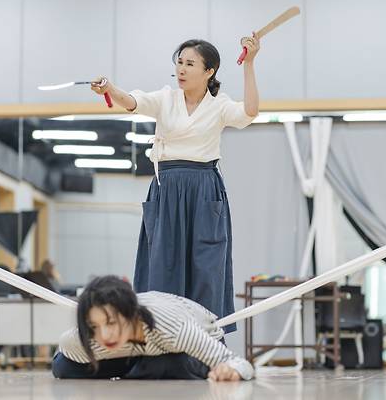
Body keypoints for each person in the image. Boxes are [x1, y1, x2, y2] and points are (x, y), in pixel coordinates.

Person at [90, 36, 260, 332]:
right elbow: (131, 101)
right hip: (166, 190)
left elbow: (250, 112)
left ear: (209, 71)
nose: (181, 69)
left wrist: (249, 63)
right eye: (179, 63)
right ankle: (161, 339)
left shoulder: (219, 105)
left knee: (206, 267)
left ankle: (207, 342)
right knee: (162, 265)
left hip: (205, 190)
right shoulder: (165, 98)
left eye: (189, 64)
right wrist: (109, 88)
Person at [53, 275, 254, 381]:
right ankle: (140, 369)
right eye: (94, 326)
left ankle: (145, 369)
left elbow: (237, 362)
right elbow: (63, 360)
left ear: (131, 313)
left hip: (186, 341)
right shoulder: (82, 340)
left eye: (111, 322)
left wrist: (231, 371)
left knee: (167, 365)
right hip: (134, 351)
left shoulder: (172, 326)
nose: (104, 335)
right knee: (63, 366)